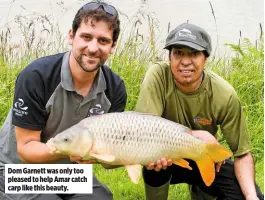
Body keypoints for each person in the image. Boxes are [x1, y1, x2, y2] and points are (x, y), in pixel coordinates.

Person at [0, 2, 126, 200]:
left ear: (112, 47)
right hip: (16, 169)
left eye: (103, 41)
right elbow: (25, 149)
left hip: (65, 171)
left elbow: (109, 156)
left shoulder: (115, 88)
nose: (93, 48)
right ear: (71, 36)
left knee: (100, 198)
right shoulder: (37, 76)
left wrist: (147, 155)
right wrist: (71, 152)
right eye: (86, 37)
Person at [135, 23, 264, 200]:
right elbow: (145, 130)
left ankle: (201, 193)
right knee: (154, 165)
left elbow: (242, 154)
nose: (185, 61)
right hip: (168, 157)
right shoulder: (158, 75)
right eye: (178, 53)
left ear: (206, 58)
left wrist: (252, 197)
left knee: (247, 194)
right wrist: (197, 135)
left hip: (204, 157)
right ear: (169, 57)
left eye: (194, 53)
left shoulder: (224, 94)